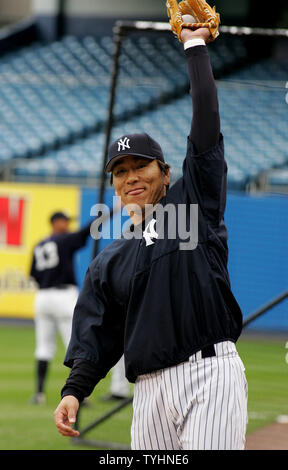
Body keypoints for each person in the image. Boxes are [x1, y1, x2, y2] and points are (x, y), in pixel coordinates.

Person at [54, 26, 248, 450]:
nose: (130, 178)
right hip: (147, 392)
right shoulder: (111, 258)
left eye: (140, 166)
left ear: (165, 172)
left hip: (208, 375)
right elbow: (97, 330)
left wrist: (194, 46)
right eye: (120, 172)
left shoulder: (191, 206)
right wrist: (74, 391)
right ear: (115, 186)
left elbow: (206, 123)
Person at [30, 211, 92, 404]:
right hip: (63, 296)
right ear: (55, 223)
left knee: (43, 347)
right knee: (73, 344)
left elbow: (33, 274)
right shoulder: (64, 240)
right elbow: (85, 232)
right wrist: (111, 211)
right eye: (64, 221)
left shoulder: (39, 244)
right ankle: (77, 394)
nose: (67, 224)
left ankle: (39, 394)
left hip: (42, 297)